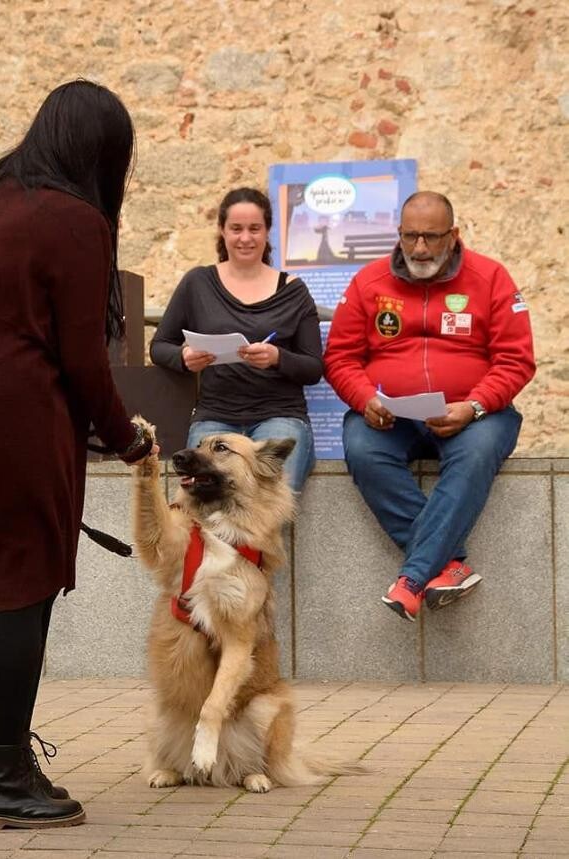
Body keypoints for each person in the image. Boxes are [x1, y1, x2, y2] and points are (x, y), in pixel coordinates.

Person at [0, 80, 156, 830]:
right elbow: (83, 359)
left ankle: (5, 753)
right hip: (16, 423)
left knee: (21, 583)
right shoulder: (75, 218)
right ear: (103, 154)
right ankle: (2, 774)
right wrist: (126, 435)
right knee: (28, 586)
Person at [324, 191, 535, 622]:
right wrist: (365, 399)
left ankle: (414, 578)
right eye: (410, 236)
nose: (419, 248)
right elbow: (340, 358)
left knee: (476, 455)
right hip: (392, 416)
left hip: (477, 416)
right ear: (399, 234)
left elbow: (517, 360)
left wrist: (473, 406)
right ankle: (448, 564)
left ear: (454, 235)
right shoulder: (368, 281)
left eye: (431, 237)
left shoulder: (491, 277)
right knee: (362, 448)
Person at [150, 187, 322, 493]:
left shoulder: (294, 290)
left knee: (267, 504)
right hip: (215, 417)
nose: (245, 238)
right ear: (222, 231)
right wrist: (184, 358)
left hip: (280, 415)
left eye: (254, 229)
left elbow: (313, 368)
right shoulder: (197, 282)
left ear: (268, 231)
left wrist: (277, 358)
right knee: (204, 506)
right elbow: (159, 346)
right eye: (236, 229)